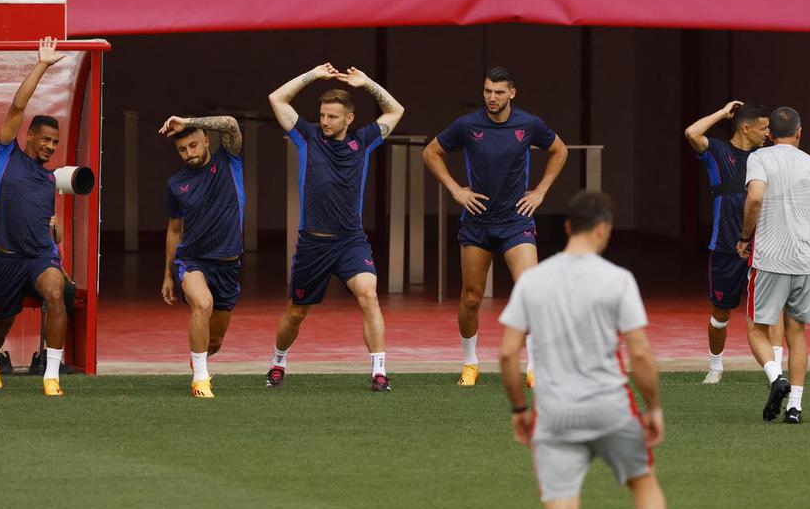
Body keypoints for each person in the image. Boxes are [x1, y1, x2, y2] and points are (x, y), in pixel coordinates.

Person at [498, 191, 665, 509]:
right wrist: (654, 408)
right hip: (610, 407)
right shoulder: (618, 280)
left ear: (568, 226)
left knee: (561, 505)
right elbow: (641, 354)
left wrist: (519, 408)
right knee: (643, 482)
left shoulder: (532, 281)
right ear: (603, 228)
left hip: (555, 413)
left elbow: (507, 354)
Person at [423, 67, 569, 387]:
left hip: (516, 220)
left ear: (512, 93)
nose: (492, 97)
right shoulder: (467, 125)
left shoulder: (528, 124)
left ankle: (533, 366)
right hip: (477, 222)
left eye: (499, 92)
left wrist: (541, 190)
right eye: (488, 91)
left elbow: (560, 150)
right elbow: (431, 152)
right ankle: (470, 363)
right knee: (471, 298)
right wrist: (456, 189)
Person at [265, 64, 404, 392]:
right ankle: (277, 361)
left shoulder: (365, 140)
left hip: (350, 242)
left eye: (331, 116)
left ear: (348, 119)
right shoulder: (307, 136)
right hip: (314, 243)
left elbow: (395, 109)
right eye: (322, 114)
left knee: (368, 295)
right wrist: (313, 75)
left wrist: (367, 82)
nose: (324, 121)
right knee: (297, 312)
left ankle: (379, 372)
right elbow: (277, 99)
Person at [0, 37, 70, 396]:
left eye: (55, 143)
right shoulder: (7, 156)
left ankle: (52, 375)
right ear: (28, 136)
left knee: (55, 293)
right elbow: (18, 104)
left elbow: (52, 230)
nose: (50, 146)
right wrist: (43, 65)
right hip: (6, 259)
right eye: (45, 140)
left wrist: (54, 234)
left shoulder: (50, 180)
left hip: (39, 257)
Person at [739, 107, 810, 424]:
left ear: (769, 133)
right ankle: (795, 406)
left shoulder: (760, 159)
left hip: (769, 257)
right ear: (799, 131)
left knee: (756, 329)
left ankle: (775, 377)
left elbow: (754, 198)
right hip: (805, 258)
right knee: (797, 332)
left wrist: (744, 235)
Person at [683, 100, 782, 384]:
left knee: (769, 311)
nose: (768, 134)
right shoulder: (717, 151)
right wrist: (723, 113)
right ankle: (715, 367)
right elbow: (692, 133)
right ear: (746, 127)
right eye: (763, 128)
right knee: (720, 313)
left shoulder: (766, 157)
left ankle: (776, 372)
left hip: (762, 248)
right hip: (725, 248)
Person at [0, 140, 75, 375]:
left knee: (66, 290)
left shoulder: (36, 188)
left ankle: (46, 359)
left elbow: (56, 237)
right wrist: (6, 199)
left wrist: (53, 229)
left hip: (33, 267)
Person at [159, 113, 245, 399]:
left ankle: (200, 362)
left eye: (194, 146)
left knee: (216, 340)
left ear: (207, 141)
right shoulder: (176, 183)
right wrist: (168, 274)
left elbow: (231, 124)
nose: (189, 153)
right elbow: (173, 230)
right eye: (182, 149)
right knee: (202, 304)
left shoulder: (228, 161)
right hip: (193, 260)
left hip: (228, 262)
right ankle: (199, 380)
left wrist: (187, 121)